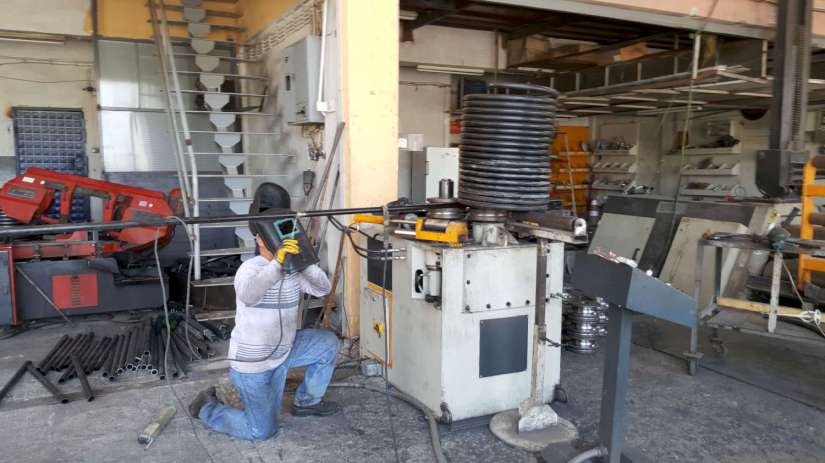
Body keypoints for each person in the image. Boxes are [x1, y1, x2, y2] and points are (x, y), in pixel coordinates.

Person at [188, 231, 339, 441]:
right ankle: (207, 408)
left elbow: (323, 289)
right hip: (254, 366)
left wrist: (304, 261)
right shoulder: (249, 269)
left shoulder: (292, 270)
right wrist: (277, 264)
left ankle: (307, 402)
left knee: (327, 343)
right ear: (259, 239)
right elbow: (249, 295)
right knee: (262, 431)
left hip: (284, 352)